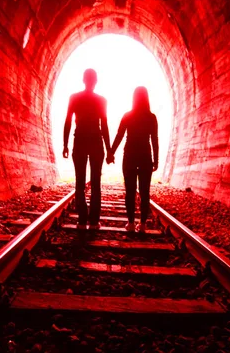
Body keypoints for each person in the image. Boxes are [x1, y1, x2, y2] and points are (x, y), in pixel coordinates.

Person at [63, 69, 112, 230]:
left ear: (83, 80)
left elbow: (68, 121)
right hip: (96, 142)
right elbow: (104, 125)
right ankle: (94, 221)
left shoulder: (74, 98)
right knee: (96, 182)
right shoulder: (101, 100)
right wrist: (109, 149)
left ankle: (82, 220)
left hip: (80, 141)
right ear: (96, 81)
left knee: (80, 182)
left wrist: (65, 144)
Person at [107, 87, 158, 232]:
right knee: (144, 191)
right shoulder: (151, 117)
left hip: (129, 155)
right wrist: (156, 160)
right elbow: (154, 140)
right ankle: (142, 225)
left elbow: (119, 135)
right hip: (145, 156)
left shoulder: (128, 115)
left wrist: (111, 152)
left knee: (130, 190)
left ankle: (130, 224)